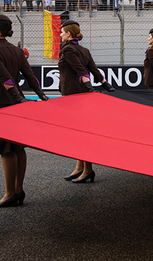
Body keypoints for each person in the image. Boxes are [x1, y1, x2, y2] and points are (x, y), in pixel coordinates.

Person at [0, 14, 48, 208]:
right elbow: (30, 75)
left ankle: (10, 193)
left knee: (6, 149)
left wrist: (16, 96)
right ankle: (18, 189)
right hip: (16, 101)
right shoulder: (16, 50)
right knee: (18, 147)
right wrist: (40, 94)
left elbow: (3, 76)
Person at [57, 19, 115, 184]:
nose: (60, 35)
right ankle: (80, 167)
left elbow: (81, 70)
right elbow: (94, 70)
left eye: (62, 32)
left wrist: (89, 86)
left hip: (73, 95)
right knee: (80, 131)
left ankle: (88, 169)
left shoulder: (67, 49)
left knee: (79, 133)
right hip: (80, 93)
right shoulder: (84, 50)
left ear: (68, 34)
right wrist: (106, 84)